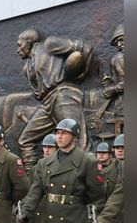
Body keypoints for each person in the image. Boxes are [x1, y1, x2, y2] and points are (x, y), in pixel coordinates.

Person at [16, 29, 93, 168]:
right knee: (25, 140)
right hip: (47, 103)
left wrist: (81, 74)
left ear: (28, 42)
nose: (18, 49)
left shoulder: (49, 44)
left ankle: (84, 176)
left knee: (79, 141)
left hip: (64, 96)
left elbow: (86, 48)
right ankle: (32, 176)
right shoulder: (26, 68)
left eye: (19, 45)